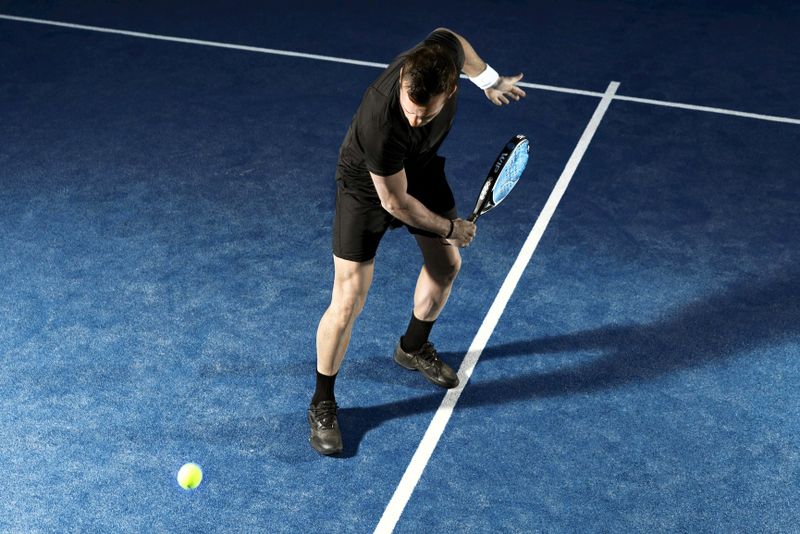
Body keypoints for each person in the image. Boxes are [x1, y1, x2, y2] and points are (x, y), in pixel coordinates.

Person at [308, 28, 526, 455]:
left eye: (424, 115)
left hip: (420, 170)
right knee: (349, 297)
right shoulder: (381, 120)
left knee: (446, 267)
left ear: (449, 88)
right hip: (368, 188)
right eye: (410, 109)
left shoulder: (441, 59)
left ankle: (412, 347)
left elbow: (454, 40)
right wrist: (449, 229)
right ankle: (322, 401)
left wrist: (488, 79)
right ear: (404, 79)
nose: (414, 119)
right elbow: (394, 201)